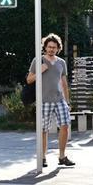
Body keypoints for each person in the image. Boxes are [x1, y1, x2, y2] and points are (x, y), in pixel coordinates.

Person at [27, 33, 75, 168]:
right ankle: (42, 157)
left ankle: (62, 156)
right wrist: (40, 71)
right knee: (43, 130)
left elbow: (64, 83)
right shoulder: (38, 61)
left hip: (59, 99)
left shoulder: (61, 62)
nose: (51, 49)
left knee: (65, 126)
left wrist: (67, 101)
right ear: (45, 47)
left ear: (58, 48)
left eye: (54, 47)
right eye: (49, 47)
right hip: (44, 100)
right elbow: (29, 80)